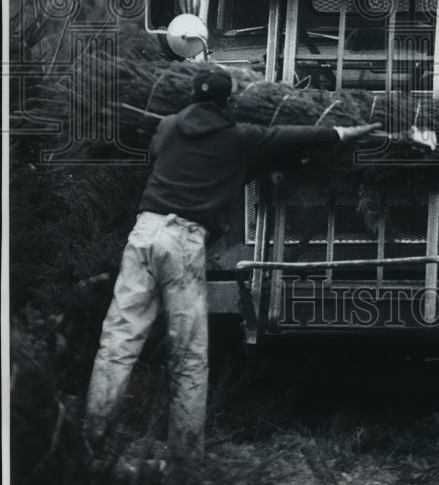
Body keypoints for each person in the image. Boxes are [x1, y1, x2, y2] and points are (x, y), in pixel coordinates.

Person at [85, 64, 379, 464]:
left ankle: (93, 440)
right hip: (183, 242)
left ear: (191, 95)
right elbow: (303, 136)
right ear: (228, 101)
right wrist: (353, 130)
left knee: (118, 340)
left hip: (144, 233)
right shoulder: (240, 137)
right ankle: (186, 458)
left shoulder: (169, 126)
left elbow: (183, 159)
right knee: (188, 355)